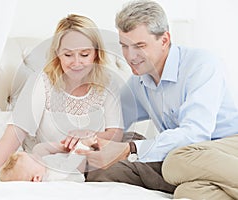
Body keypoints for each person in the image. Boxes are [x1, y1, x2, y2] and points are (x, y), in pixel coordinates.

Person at [76, 0, 238, 199]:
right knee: (186, 192)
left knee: (175, 160)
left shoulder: (200, 64)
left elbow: (195, 134)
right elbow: (113, 124)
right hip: (189, 161)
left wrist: (130, 148)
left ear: (164, 40)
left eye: (139, 46)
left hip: (227, 146)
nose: (130, 56)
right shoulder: (139, 82)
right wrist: (89, 140)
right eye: (124, 46)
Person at [0, 14, 123, 173]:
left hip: (86, 168)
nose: (76, 63)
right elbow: (15, 133)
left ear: (96, 53)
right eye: (68, 55)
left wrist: (91, 135)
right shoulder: (41, 82)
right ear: (57, 54)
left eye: (84, 54)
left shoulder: (108, 83)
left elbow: (115, 134)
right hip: (45, 165)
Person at [0, 140, 93, 182]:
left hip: (80, 158)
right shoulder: (53, 175)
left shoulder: (42, 168)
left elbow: (40, 149)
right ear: (37, 178)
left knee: (37, 148)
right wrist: (82, 145)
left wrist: (64, 147)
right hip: (88, 169)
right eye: (34, 158)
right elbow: (68, 166)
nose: (35, 156)